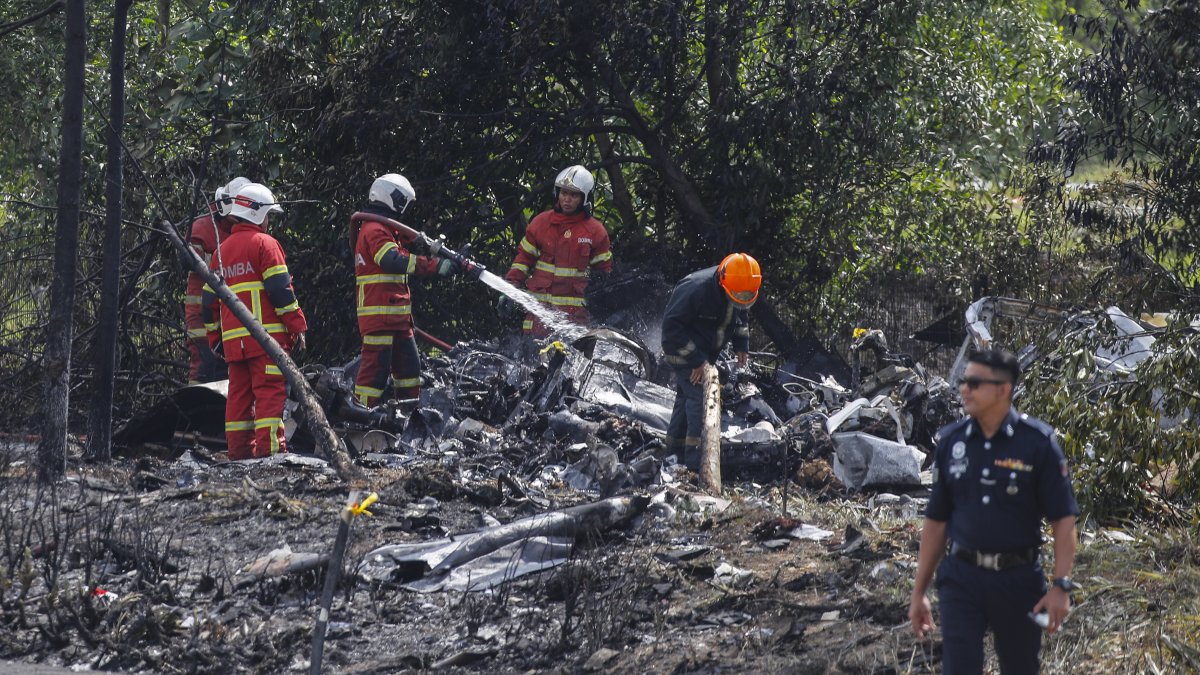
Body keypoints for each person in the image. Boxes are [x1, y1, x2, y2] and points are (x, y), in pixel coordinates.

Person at [909, 348, 1079, 674]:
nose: (964, 389)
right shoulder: (950, 443)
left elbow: (1063, 518)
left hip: (1018, 582)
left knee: (1020, 667)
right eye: (963, 381)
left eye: (974, 382)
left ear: (1003, 390)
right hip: (962, 579)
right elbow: (936, 521)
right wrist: (919, 592)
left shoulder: (1037, 444)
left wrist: (1061, 585)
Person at [201, 183, 307, 460]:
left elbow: (207, 305)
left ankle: (239, 455)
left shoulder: (219, 254)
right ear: (258, 214)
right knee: (270, 397)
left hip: (235, 346)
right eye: (268, 214)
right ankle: (271, 457)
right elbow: (280, 291)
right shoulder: (265, 244)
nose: (270, 221)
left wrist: (216, 340)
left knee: (238, 401)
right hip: (267, 342)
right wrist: (297, 326)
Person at [350, 173, 459, 406]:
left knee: (409, 369)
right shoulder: (374, 230)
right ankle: (360, 417)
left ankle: (409, 415)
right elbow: (393, 260)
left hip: (396, 317)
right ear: (393, 198)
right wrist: (434, 265)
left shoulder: (387, 230)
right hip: (379, 316)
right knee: (374, 373)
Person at [659, 253, 760, 463]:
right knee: (701, 395)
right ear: (723, 283)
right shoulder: (696, 289)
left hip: (705, 353)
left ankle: (673, 455)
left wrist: (742, 345)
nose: (739, 300)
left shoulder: (738, 287)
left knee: (685, 397)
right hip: (680, 349)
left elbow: (740, 312)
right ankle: (697, 462)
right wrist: (697, 362)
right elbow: (670, 329)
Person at [501, 165, 612, 336]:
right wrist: (510, 288)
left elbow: (604, 276)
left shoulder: (595, 232)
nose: (567, 199)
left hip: (574, 322)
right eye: (564, 193)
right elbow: (523, 260)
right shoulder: (541, 223)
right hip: (538, 319)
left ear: (585, 197)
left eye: (573, 195)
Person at [184, 176, 248, 383]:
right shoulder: (202, 229)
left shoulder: (244, 230)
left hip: (233, 316)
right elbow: (189, 263)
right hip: (202, 316)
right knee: (203, 368)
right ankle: (194, 412)